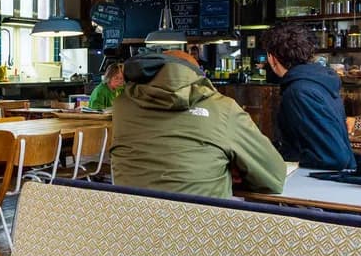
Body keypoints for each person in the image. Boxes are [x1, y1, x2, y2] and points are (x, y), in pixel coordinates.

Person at [111, 50, 286, 199]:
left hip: (131, 229)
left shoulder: (121, 106)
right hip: (202, 231)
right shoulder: (224, 108)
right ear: (197, 75)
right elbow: (274, 179)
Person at [262, 23, 356, 170]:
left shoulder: (299, 91)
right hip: (330, 180)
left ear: (272, 58)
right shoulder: (318, 82)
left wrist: (288, 162)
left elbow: (334, 157)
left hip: (317, 184)